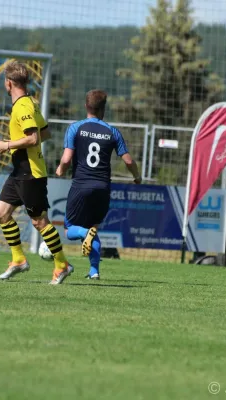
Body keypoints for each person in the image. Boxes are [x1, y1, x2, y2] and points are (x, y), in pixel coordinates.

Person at [0, 60, 72, 285]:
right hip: (19, 171)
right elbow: (45, 134)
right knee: (1, 213)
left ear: (8, 83)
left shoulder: (24, 106)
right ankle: (18, 260)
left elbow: (35, 138)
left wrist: (7, 145)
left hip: (30, 172)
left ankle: (62, 264)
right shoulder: (30, 103)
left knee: (40, 222)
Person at [55, 90, 141, 279]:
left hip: (81, 185)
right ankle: (94, 271)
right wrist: (137, 176)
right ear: (104, 108)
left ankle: (85, 232)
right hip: (103, 188)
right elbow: (128, 161)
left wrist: (60, 169)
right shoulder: (112, 132)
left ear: (86, 106)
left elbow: (67, 158)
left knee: (70, 230)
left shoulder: (75, 128)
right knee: (94, 227)